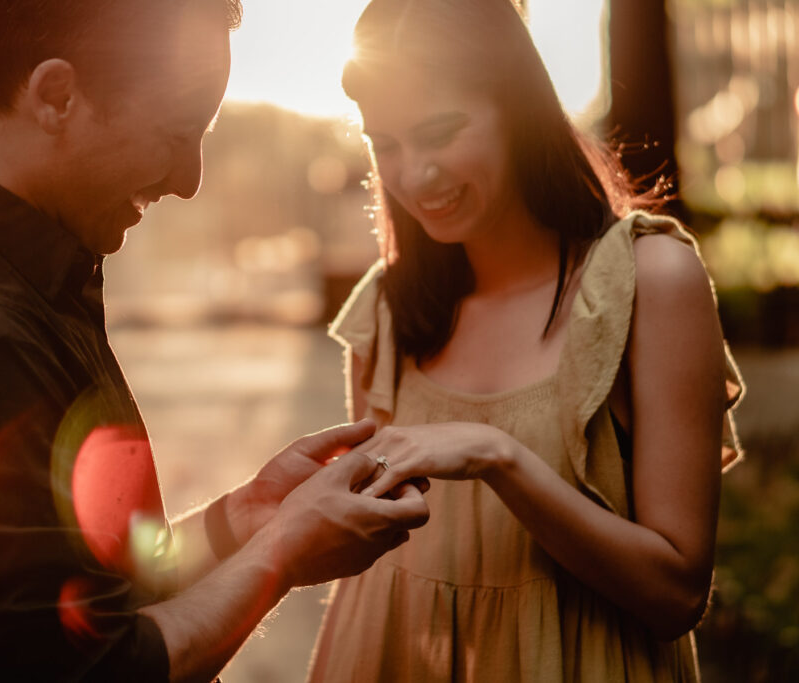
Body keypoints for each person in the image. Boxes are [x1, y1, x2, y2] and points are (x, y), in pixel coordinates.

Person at [0, 1, 430, 681]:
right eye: (178, 132)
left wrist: (242, 517)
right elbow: (94, 669)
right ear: (56, 95)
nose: (189, 181)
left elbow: (75, 596)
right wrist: (282, 551)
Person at [307, 0, 744, 681]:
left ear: (518, 108)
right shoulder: (387, 309)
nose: (414, 175)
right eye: (385, 144)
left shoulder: (651, 281)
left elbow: (677, 594)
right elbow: (364, 577)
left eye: (440, 133)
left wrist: (499, 457)